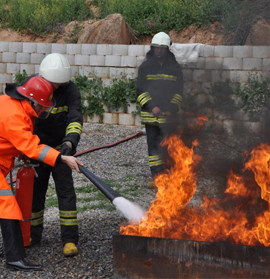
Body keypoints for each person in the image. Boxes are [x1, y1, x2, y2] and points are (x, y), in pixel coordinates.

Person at [0, 76, 83, 271]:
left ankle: (14, 252)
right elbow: (31, 146)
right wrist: (63, 158)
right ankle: (15, 258)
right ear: (32, 100)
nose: (45, 110)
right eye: (43, 106)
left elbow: (12, 139)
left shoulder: (14, 105)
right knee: (7, 205)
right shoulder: (14, 115)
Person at [23, 53, 83, 257]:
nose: (55, 88)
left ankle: (69, 239)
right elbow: (24, 119)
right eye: (52, 83)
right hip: (37, 150)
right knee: (34, 193)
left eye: (59, 84)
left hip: (60, 150)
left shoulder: (70, 90)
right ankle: (32, 234)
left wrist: (69, 142)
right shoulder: (31, 87)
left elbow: (75, 119)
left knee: (66, 194)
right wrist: (26, 149)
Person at [136, 32, 184, 181]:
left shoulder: (175, 68)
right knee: (154, 148)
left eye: (162, 48)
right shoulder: (145, 67)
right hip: (151, 117)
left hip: (169, 117)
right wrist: (152, 107)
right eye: (156, 48)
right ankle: (157, 177)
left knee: (169, 147)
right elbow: (140, 92)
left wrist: (171, 108)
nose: (159, 51)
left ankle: (169, 175)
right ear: (152, 48)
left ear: (167, 49)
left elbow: (179, 92)